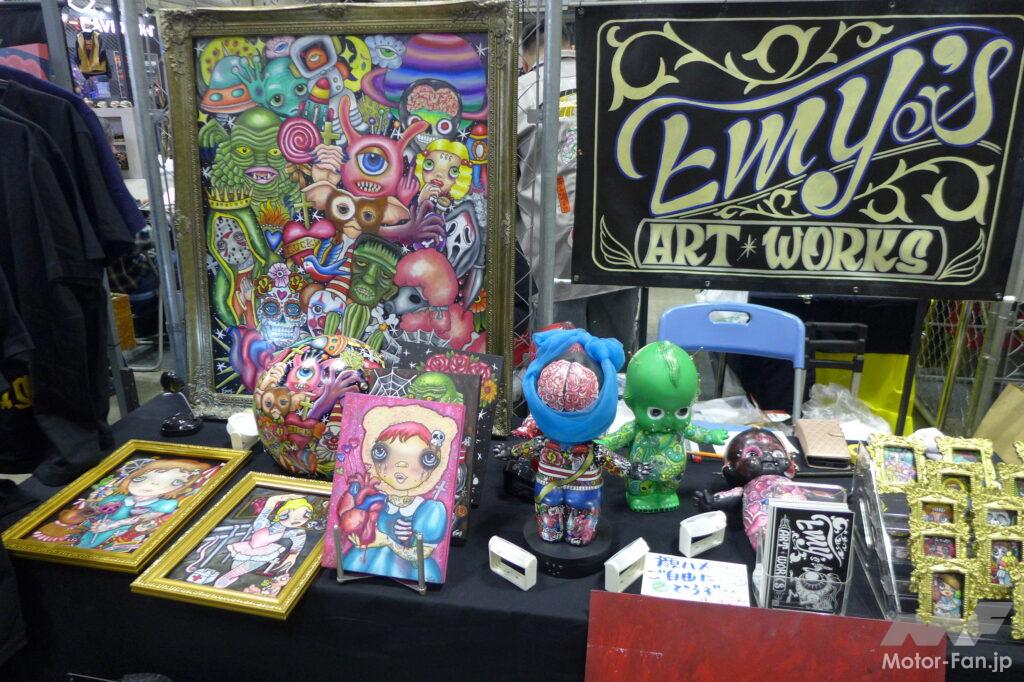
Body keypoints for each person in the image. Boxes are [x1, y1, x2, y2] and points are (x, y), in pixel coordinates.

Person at [516, 17, 639, 353]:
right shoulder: (613, 82)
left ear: (524, 57)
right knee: (614, 358)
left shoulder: (523, 93)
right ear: (571, 44)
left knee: (561, 361)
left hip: (553, 251)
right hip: (619, 245)